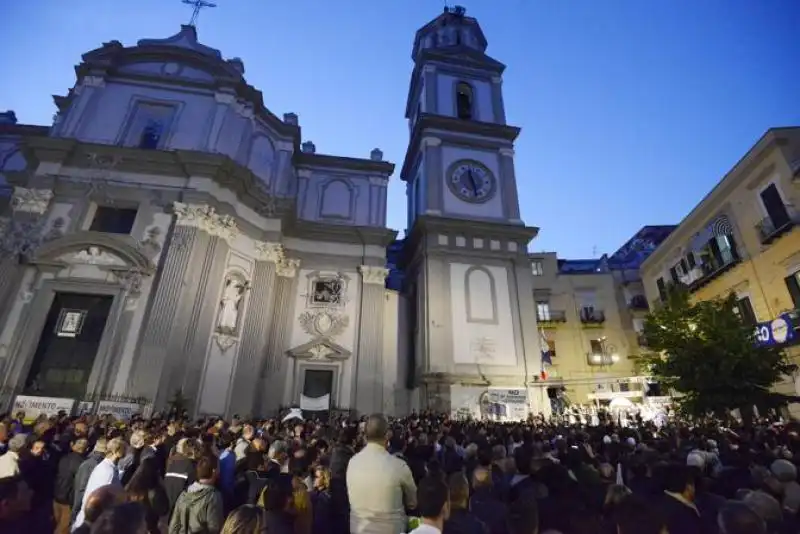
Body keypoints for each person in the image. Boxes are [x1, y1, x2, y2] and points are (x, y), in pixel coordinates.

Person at [347, 414, 417, 534]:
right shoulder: (399, 466)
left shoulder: (352, 462)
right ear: (387, 435)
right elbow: (413, 503)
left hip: (357, 530)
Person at [73, 437, 128, 531]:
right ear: (117, 452)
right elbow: (102, 498)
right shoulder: (107, 471)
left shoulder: (107, 467)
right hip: (93, 522)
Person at [169, 454, 225, 534]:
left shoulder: (183, 494)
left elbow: (173, 526)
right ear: (214, 471)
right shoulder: (213, 497)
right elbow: (215, 528)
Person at [53, 437, 88, 534]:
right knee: (63, 528)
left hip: (57, 495)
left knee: (56, 523)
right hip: (68, 499)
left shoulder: (63, 457)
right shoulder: (82, 463)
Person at [71, 437, 107, 526]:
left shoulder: (94, 462)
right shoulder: (90, 464)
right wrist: (76, 510)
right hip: (84, 505)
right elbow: (81, 488)